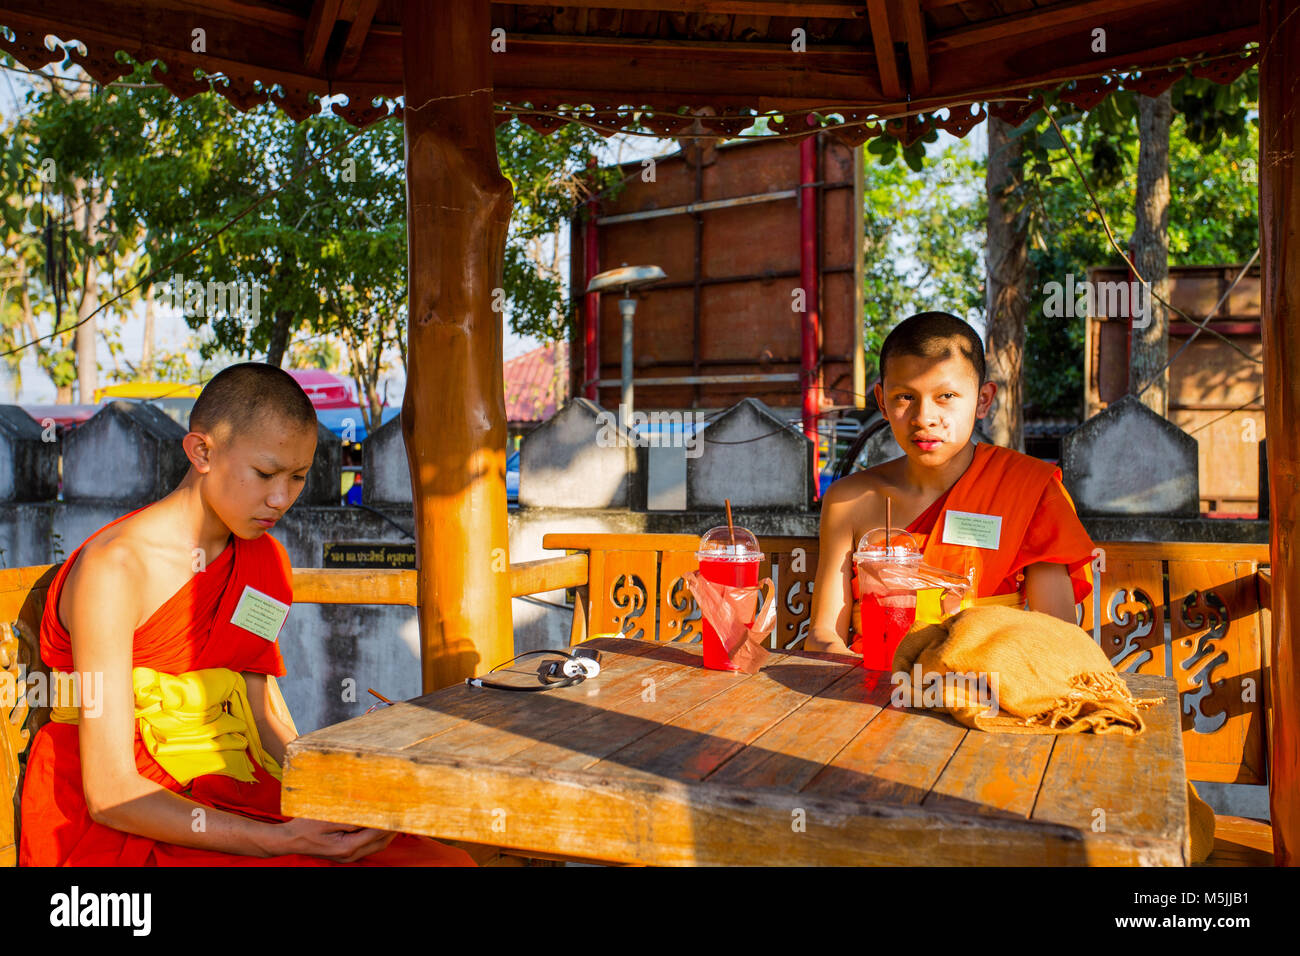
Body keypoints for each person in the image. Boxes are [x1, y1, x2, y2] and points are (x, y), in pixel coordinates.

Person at [19, 363, 474, 866]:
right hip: (133, 815)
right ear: (202, 451)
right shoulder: (115, 570)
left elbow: (260, 715)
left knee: (441, 863)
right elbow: (110, 792)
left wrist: (335, 796)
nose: (281, 499)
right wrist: (284, 841)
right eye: (264, 473)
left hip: (235, 786)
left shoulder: (262, 563)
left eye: (298, 477)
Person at [805, 312, 1096, 656]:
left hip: (985, 690)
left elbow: (1058, 635)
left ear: (983, 400)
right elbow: (823, 634)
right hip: (868, 690)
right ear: (882, 402)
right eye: (905, 397)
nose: (924, 418)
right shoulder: (850, 500)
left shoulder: (1028, 490)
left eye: (945, 396)